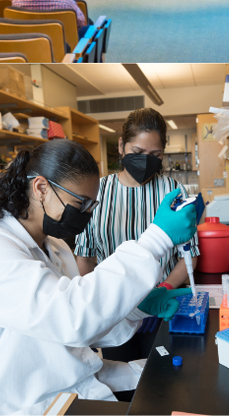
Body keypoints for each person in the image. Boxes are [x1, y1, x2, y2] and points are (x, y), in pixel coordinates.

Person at [0, 139, 198, 416]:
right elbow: (69, 318)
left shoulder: (56, 247)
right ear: (41, 188)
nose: (87, 214)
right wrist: (157, 238)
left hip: (58, 388)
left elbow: (82, 331)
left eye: (92, 205)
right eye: (80, 202)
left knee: (172, 390)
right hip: (8, 405)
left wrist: (136, 308)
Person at [75, 108, 200, 362]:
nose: (146, 161)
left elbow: (189, 256)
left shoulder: (172, 190)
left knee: (160, 382)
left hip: (161, 309)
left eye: (155, 155)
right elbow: (85, 258)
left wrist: (162, 290)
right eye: (138, 153)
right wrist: (98, 307)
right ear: (121, 146)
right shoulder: (98, 191)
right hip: (112, 312)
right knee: (121, 383)